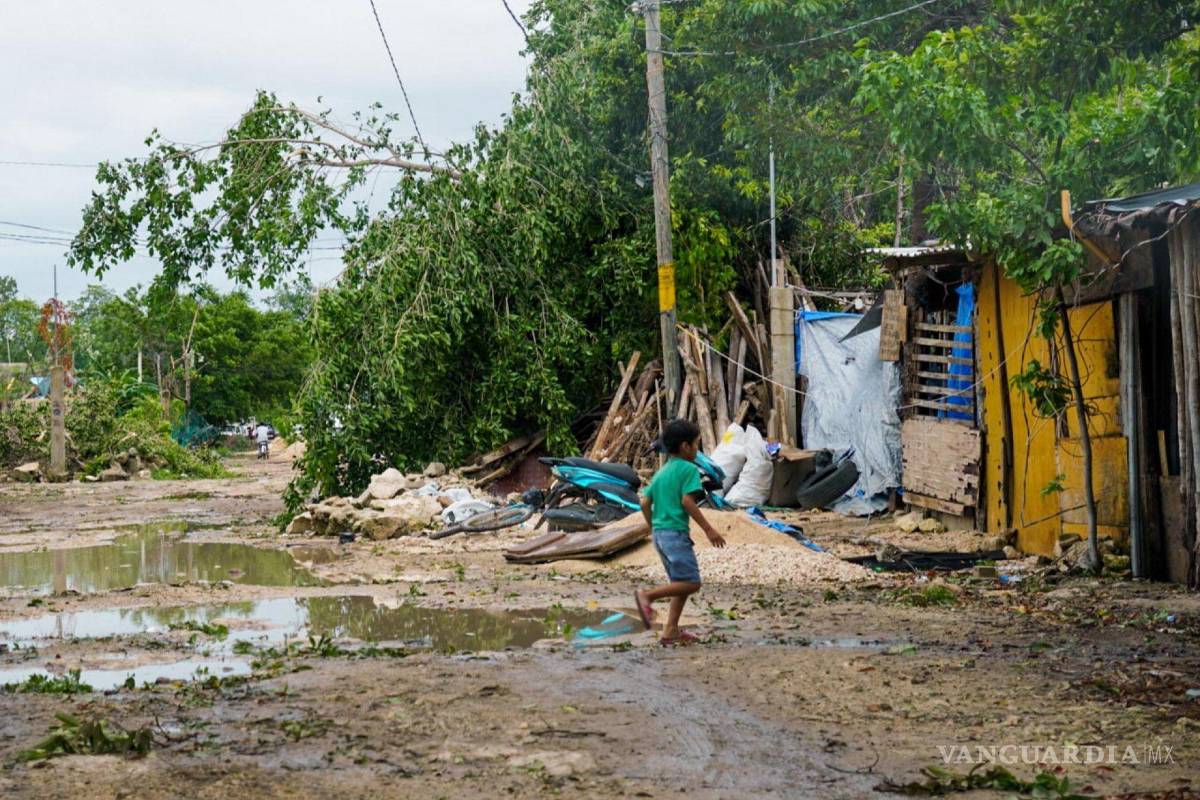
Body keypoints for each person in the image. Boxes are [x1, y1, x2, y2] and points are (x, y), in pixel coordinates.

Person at [634, 418, 726, 645]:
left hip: (660, 535)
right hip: (675, 534)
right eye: (696, 444)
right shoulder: (688, 469)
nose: (698, 449)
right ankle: (647, 595)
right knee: (692, 583)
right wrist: (709, 529)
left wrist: (651, 525)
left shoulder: (662, 472)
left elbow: (645, 502)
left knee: (680, 581)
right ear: (685, 446)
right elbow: (687, 501)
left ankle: (671, 631)